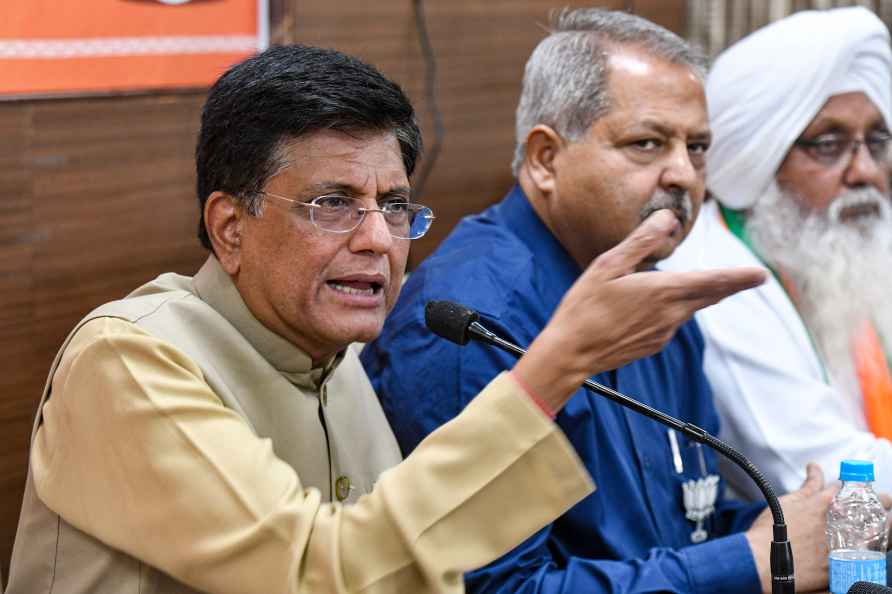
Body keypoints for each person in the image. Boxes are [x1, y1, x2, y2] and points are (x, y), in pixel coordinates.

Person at [3, 45, 764, 594]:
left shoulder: (336, 357)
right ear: (230, 228)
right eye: (332, 205)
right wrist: (557, 364)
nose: (376, 240)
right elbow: (317, 574)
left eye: (394, 207)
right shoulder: (128, 360)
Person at [363, 9, 836, 594]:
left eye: (698, 147)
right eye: (647, 144)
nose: (683, 174)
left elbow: (684, 525)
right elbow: (499, 589)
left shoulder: (653, 287)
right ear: (545, 159)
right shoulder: (473, 320)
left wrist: (792, 533)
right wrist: (751, 562)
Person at [661, 6, 892, 500]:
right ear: (762, 160)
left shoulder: (847, 249)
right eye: (829, 145)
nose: (866, 172)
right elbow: (826, 474)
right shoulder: (713, 278)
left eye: (877, 140)